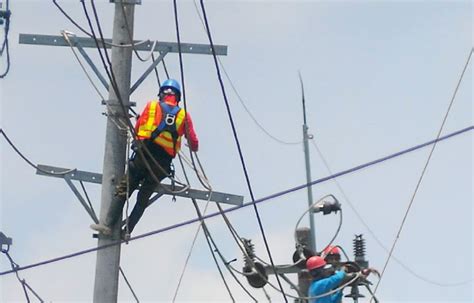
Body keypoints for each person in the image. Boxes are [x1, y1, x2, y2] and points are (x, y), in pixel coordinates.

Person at [91, 79, 199, 237]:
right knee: (142, 200)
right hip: (161, 166)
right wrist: (190, 144)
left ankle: (107, 224)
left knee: (124, 190)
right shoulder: (184, 116)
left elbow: (138, 127)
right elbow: (194, 143)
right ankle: (127, 231)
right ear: (178, 97)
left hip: (144, 156)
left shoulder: (152, 106)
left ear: (161, 94)